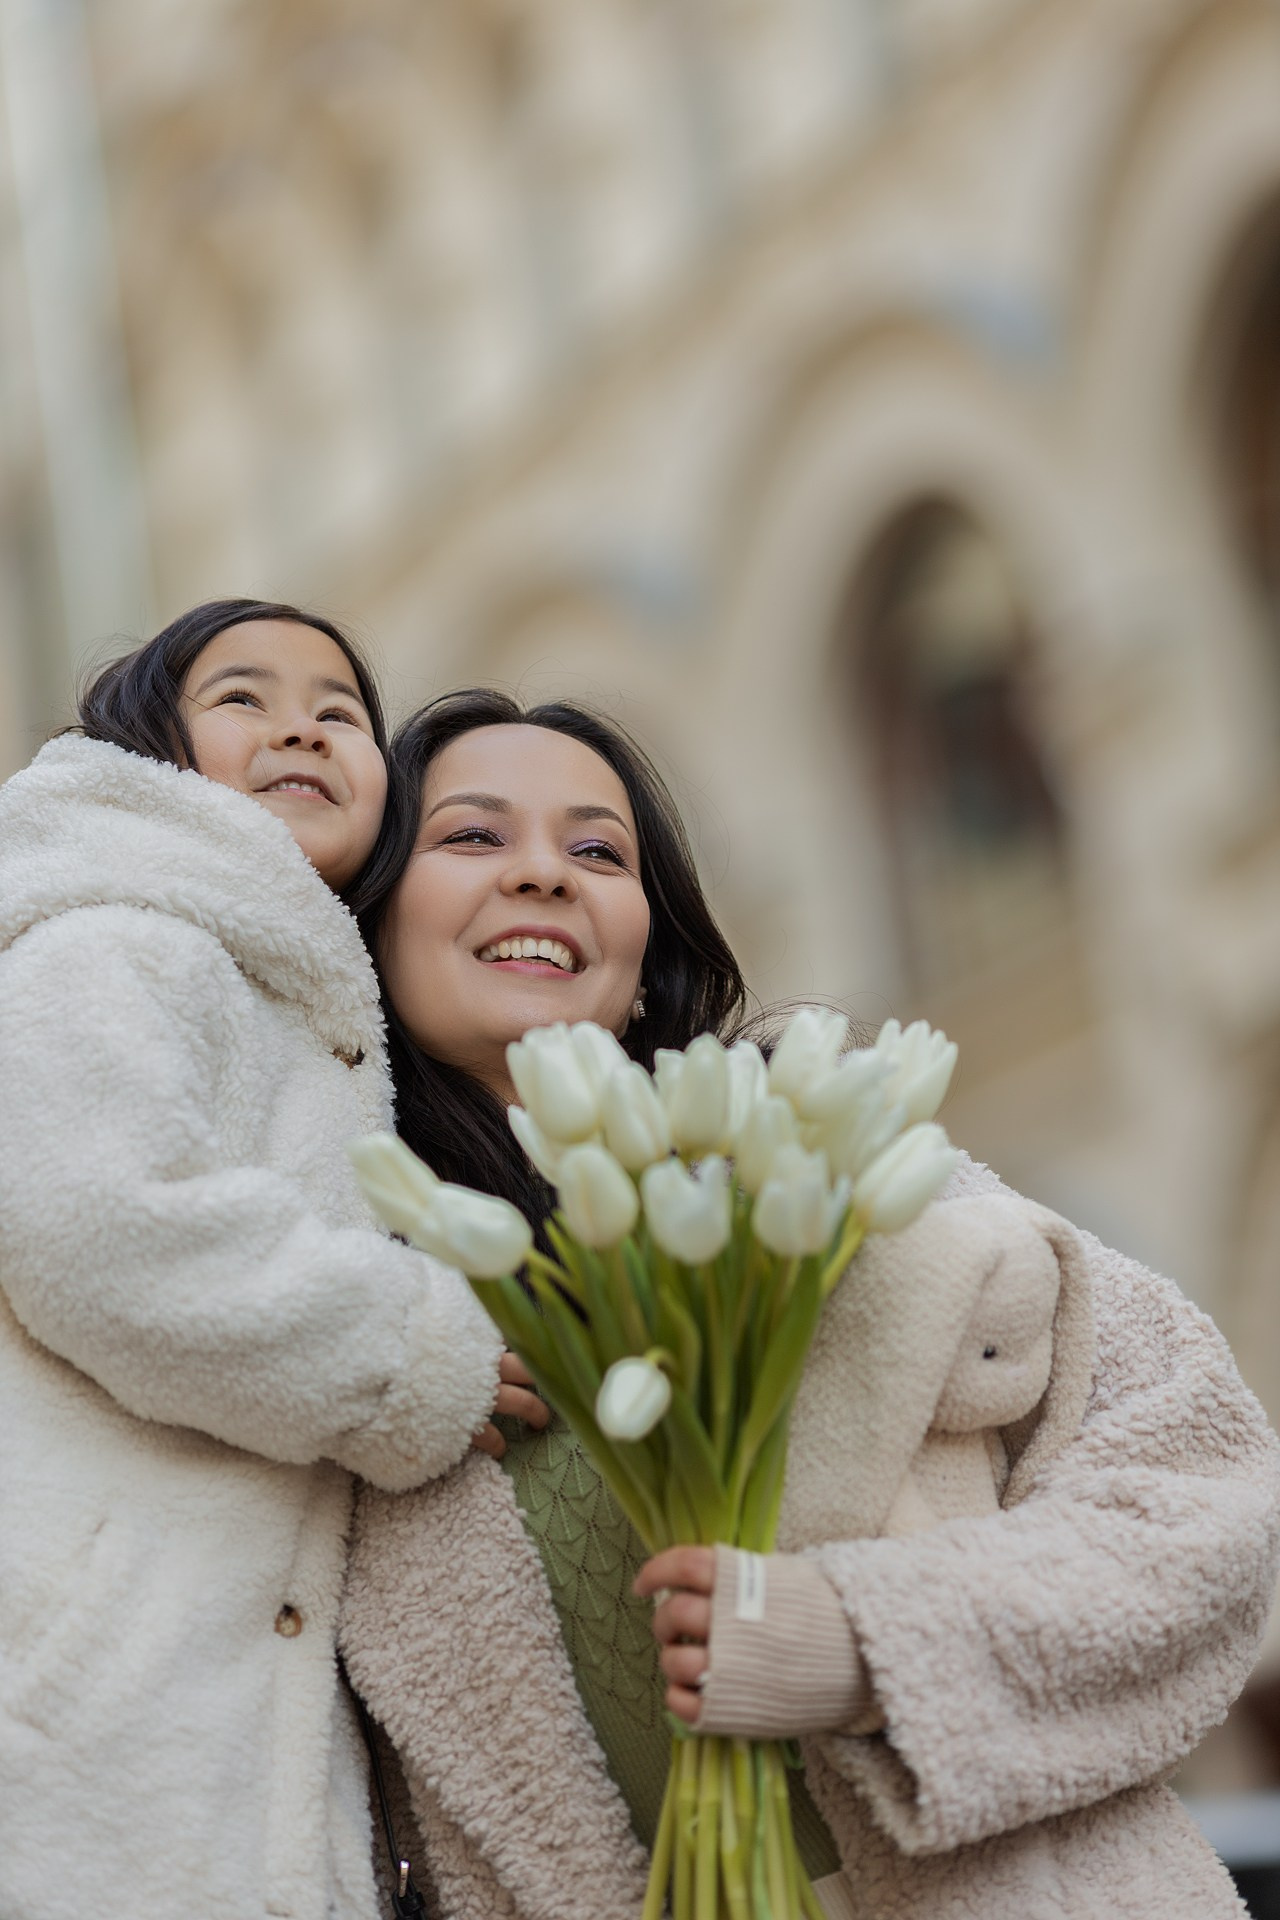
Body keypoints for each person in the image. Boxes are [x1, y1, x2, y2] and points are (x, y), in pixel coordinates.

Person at [339, 688, 1280, 1920]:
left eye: (596, 852)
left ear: (643, 960)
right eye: (471, 837)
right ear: (371, 926)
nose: (543, 877)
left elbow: (1205, 1510)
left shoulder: (843, 1185)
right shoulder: (348, 1338)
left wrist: (852, 1641)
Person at [0, 606, 542, 1920]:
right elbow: (102, 1230)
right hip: (91, 1683)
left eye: (342, 711)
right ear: (148, 751)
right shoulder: (114, 937)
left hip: (222, 1715)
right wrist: (420, 1355)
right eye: (244, 697)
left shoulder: (298, 994)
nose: (303, 722)